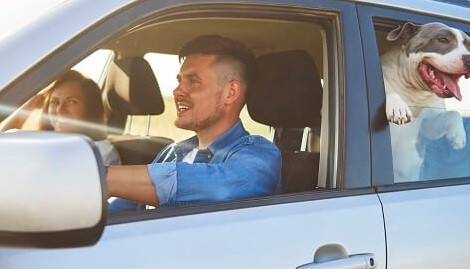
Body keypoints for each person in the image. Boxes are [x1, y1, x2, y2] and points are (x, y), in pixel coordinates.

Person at [107, 35, 281, 212]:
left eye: (194, 81)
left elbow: (220, 190)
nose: (177, 91)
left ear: (230, 92)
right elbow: (118, 211)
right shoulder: (173, 152)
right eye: (179, 81)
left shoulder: (261, 155)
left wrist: (102, 177)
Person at [0, 70, 121, 166]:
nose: (60, 109)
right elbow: (3, 143)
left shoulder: (101, 151)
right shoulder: (43, 142)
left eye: (72, 102)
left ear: (90, 109)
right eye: (54, 102)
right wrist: (27, 108)